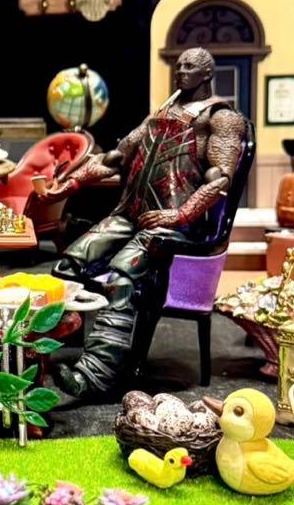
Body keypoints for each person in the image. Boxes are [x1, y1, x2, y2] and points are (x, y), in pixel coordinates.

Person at [48, 47, 248, 402]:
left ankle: (95, 375)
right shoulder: (162, 113)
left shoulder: (222, 118)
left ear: (206, 73)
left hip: (175, 224)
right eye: (179, 65)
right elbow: (114, 158)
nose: (181, 71)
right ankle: (53, 350)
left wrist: (180, 215)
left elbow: (220, 180)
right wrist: (69, 184)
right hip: (133, 213)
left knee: (122, 276)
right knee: (68, 264)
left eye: (190, 66)